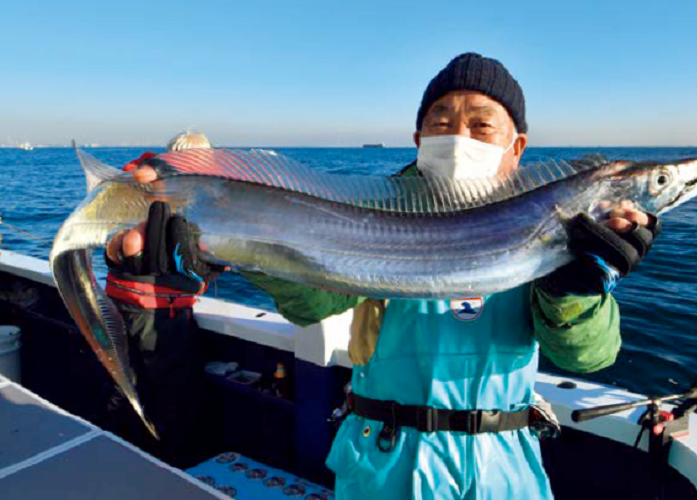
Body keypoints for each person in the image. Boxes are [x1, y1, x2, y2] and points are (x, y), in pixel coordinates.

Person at [108, 54, 659, 499]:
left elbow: (588, 357)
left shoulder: (561, 230)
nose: (456, 133)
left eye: (480, 123)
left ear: (517, 148)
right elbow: (315, 306)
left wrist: (577, 286)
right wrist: (249, 248)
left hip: (504, 470)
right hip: (382, 462)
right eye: (439, 120)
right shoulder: (372, 218)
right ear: (418, 139)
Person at [103, 130, 220, 467]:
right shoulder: (184, 199)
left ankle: (123, 459)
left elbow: (120, 246)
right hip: (159, 321)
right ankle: (172, 467)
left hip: (120, 309)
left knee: (125, 390)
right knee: (175, 401)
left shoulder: (141, 187)